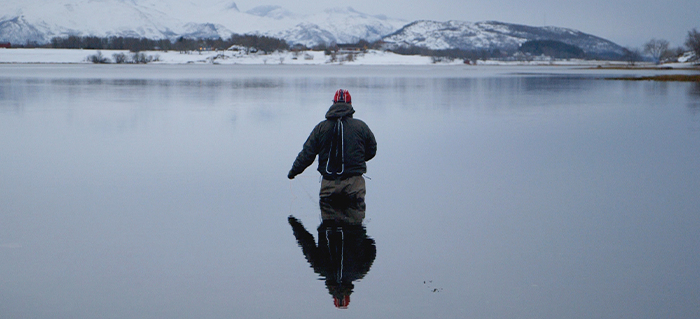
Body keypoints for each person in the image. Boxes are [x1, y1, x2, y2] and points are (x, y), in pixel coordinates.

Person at [288, 89, 377, 203]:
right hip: (354, 185)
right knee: (355, 218)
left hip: (329, 184)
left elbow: (307, 154)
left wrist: (293, 172)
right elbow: (372, 150)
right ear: (350, 104)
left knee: (329, 220)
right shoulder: (361, 126)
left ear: (333, 103)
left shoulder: (321, 128)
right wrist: (356, 159)